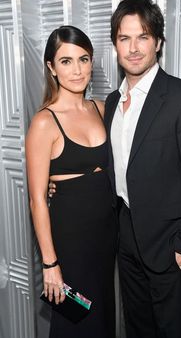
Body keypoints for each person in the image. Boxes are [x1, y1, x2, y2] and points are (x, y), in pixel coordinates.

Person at [103, 0, 181, 338]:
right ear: (116, 45)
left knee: (169, 330)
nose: (134, 48)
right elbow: (112, 164)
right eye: (125, 38)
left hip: (168, 245)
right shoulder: (111, 102)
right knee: (137, 326)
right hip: (125, 238)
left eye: (144, 36)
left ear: (159, 42)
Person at [25, 25, 117, 338]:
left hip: (106, 238)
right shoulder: (43, 122)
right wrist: (50, 265)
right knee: (76, 321)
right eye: (66, 61)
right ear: (51, 67)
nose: (77, 70)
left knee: (102, 318)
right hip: (70, 243)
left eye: (83, 59)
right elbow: (37, 199)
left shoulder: (102, 109)